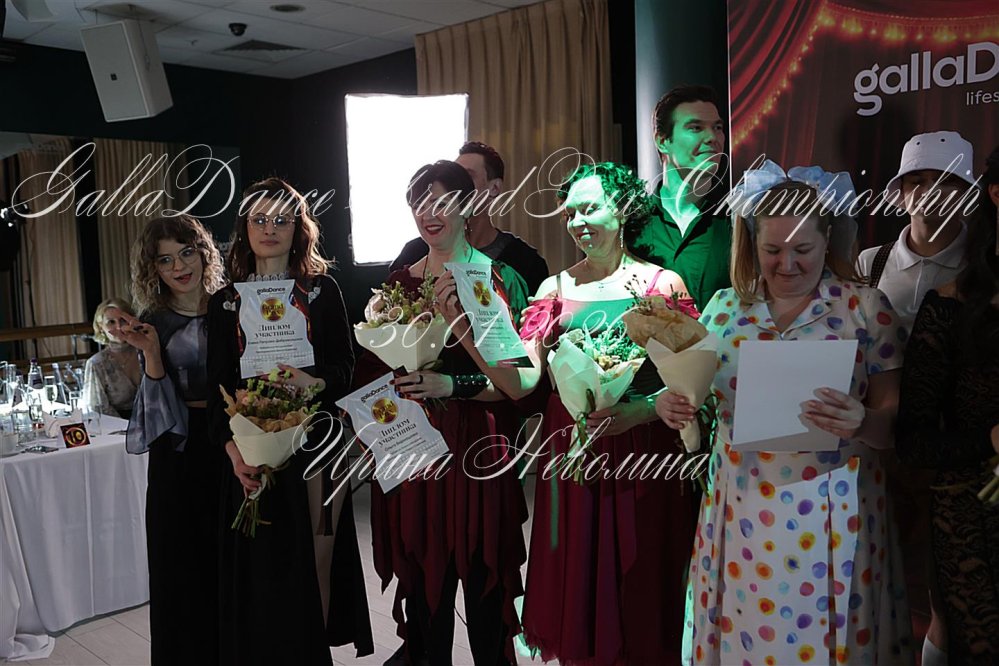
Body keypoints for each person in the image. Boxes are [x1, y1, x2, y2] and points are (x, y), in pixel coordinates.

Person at [656, 161, 913, 665]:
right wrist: (673, 404)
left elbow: (896, 427)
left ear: (827, 241)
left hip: (836, 514)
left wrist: (863, 421)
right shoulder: (724, 310)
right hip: (741, 513)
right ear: (753, 245)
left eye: (803, 250)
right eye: (773, 250)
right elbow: (697, 401)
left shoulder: (864, 309)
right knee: (746, 639)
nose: (787, 264)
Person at [496, 162, 698, 665]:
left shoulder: (660, 284)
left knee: (642, 578)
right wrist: (478, 333)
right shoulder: (552, 290)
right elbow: (525, 379)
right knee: (581, 577)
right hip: (574, 454)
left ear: (623, 209)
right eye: (570, 213)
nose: (578, 222)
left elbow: (695, 380)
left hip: (644, 451)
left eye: (589, 209)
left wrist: (642, 410)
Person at [357, 160, 529, 665]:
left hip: (477, 450)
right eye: (419, 203)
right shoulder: (397, 285)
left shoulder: (493, 279)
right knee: (425, 597)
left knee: (483, 589)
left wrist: (453, 384)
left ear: (467, 206)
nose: (428, 214)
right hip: (413, 454)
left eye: (441, 202)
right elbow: (373, 373)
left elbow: (517, 386)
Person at [206, 177, 373, 665]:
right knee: (261, 574)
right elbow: (216, 387)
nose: (270, 229)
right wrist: (235, 452)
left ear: (299, 229)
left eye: (281, 220)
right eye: (259, 219)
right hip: (252, 451)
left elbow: (346, 368)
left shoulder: (321, 291)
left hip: (316, 448)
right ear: (245, 228)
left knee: (315, 563)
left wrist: (312, 381)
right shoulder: (225, 302)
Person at [857, 130, 979, 664]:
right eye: (918, 181)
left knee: (946, 595)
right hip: (879, 448)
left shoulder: (983, 265)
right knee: (877, 578)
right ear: (902, 192)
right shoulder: (869, 263)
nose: (930, 193)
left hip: (952, 453)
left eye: (946, 182)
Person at [896, 146, 999, 665]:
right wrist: (989, 441)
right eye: (918, 182)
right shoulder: (951, 304)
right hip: (971, 513)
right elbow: (913, 440)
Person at [119, 214, 227, 665]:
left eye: (186, 253)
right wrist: (150, 354)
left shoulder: (232, 307)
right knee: (178, 569)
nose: (179, 267)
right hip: (178, 454)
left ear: (203, 253)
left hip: (232, 442)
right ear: (154, 269)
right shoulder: (152, 322)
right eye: (165, 260)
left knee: (227, 566)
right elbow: (156, 414)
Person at [389, 141, 550, 292]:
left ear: (494, 188)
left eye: (466, 176)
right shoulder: (413, 253)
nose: (454, 183)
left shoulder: (523, 261)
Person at [629, 85, 732, 310]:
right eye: (696, 128)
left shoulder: (738, 221)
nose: (712, 137)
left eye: (717, 127)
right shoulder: (630, 224)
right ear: (662, 141)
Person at [82, 297, 140, 418]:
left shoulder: (145, 353)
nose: (118, 327)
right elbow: (97, 409)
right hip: (117, 426)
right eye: (111, 322)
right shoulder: (97, 363)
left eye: (123, 320)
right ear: (101, 327)